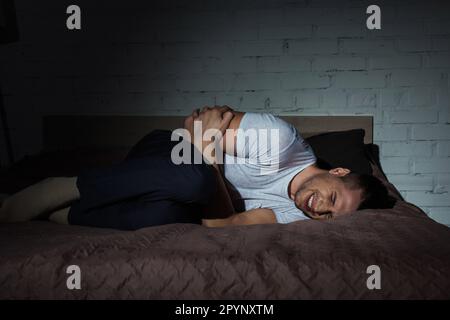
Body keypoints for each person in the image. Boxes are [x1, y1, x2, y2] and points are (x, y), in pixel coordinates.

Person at [0, 106, 395, 229]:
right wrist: (208, 173)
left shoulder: (300, 217)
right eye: (330, 198)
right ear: (339, 171)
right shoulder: (279, 141)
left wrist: (211, 174)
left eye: (329, 214)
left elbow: (221, 226)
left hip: (186, 190)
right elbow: (194, 127)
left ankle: (65, 214)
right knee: (192, 179)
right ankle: (65, 183)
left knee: (173, 217)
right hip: (166, 153)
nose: (319, 209)